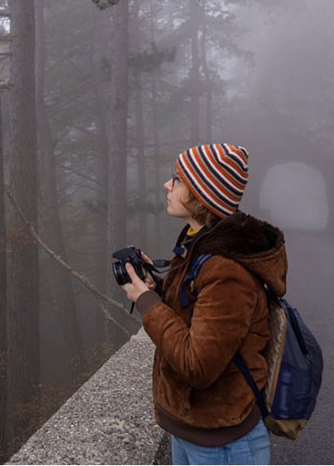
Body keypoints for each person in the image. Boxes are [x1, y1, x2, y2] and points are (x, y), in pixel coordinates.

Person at [120, 143, 287, 466]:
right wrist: (160, 287)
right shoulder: (199, 243)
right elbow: (196, 310)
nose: (167, 185)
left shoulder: (227, 269)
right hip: (196, 428)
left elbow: (198, 365)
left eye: (177, 179)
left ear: (202, 195)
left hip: (224, 443)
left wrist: (146, 301)